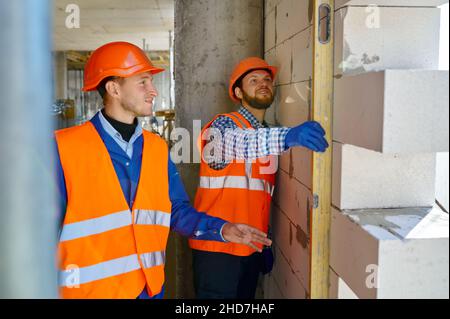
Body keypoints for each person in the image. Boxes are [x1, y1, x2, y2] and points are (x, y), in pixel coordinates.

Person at [54, 43, 272, 299]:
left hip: (149, 290)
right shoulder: (63, 147)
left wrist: (222, 229)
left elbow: (176, 211)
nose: (153, 91)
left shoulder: (156, 147)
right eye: (143, 82)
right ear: (114, 88)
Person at [189, 57, 329, 299]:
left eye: (267, 80)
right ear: (238, 91)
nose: (262, 83)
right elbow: (238, 143)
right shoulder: (223, 125)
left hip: (250, 246)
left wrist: (267, 236)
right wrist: (287, 137)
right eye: (253, 80)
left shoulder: (267, 134)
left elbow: (258, 195)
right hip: (217, 247)